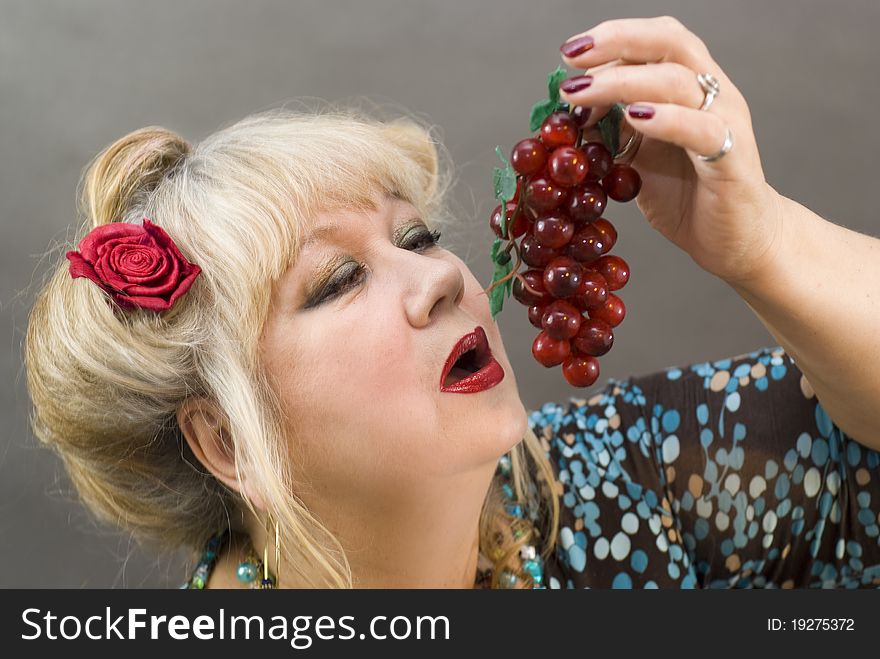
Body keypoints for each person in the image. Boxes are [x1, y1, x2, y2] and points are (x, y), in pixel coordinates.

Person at [23, 16, 880, 589]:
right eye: (339, 281)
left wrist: (764, 245)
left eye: (420, 237)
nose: (440, 279)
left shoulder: (622, 480)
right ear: (227, 440)